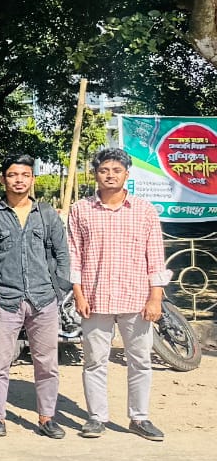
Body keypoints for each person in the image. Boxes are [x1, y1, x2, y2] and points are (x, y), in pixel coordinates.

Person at [68, 147, 170, 441]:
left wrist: (155, 297)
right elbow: (74, 255)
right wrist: (78, 294)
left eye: (116, 170)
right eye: (104, 170)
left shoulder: (145, 210)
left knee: (140, 360)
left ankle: (139, 418)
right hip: (94, 298)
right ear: (95, 174)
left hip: (136, 299)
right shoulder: (81, 209)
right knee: (94, 361)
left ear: (127, 174)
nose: (110, 175)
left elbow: (155, 257)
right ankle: (96, 417)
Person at [0, 154, 71, 439]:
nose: (19, 180)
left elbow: (62, 253)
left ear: (32, 179)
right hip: (5, 299)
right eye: (13, 175)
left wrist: (60, 288)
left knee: (47, 363)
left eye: (25, 175)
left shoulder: (46, 214)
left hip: (43, 299)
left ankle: (46, 418)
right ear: (3, 179)